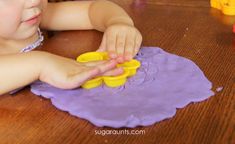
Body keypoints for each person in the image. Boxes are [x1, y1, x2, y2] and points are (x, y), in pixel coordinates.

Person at [0, 0, 142, 95]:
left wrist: (119, 22)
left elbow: (92, 9)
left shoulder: (37, 16)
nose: (35, 1)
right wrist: (42, 63)